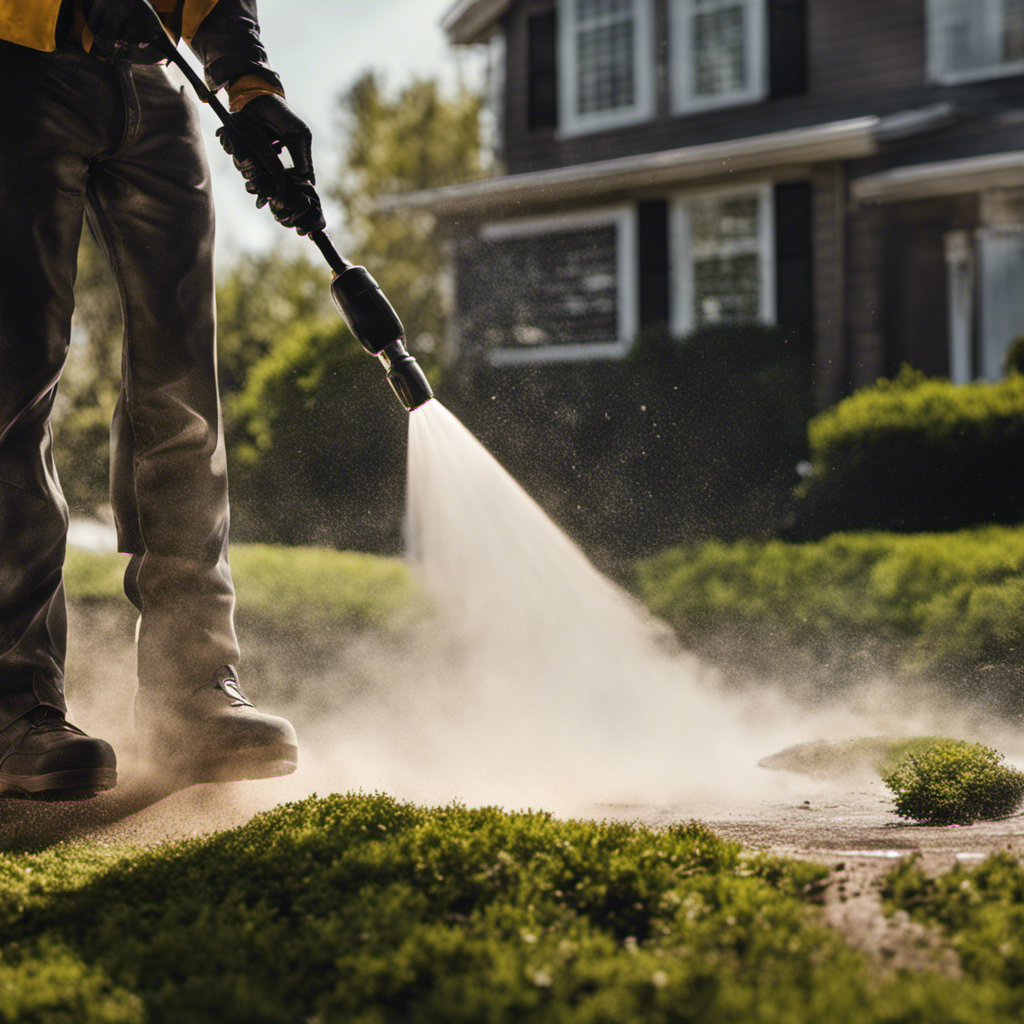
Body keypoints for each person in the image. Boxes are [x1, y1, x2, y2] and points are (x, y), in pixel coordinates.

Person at [0, 0, 323, 798]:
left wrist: (246, 84)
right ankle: (15, 704)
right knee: (15, 376)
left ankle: (193, 693)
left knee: (182, 390)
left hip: (152, 76)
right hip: (17, 64)